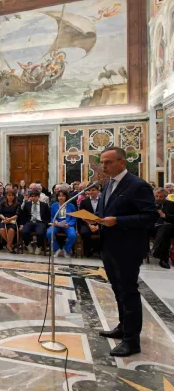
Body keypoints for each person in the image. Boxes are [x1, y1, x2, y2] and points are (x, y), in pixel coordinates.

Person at [92, 146, 158, 357]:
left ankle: (132, 341)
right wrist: (96, 220)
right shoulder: (107, 184)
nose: (104, 166)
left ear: (122, 162)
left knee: (128, 292)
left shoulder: (137, 185)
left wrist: (118, 221)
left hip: (128, 247)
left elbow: (150, 217)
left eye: (108, 162)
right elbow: (106, 211)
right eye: (102, 162)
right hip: (109, 246)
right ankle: (123, 327)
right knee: (118, 290)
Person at [46, 190, 77, 258]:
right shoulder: (53, 206)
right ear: (57, 197)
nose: (61, 197)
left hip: (67, 224)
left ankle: (66, 250)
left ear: (66, 197)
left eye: (63, 196)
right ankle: (57, 249)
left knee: (73, 235)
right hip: (57, 224)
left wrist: (68, 224)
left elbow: (74, 218)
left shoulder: (71, 206)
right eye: (59, 196)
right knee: (49, 233)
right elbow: (52, 216)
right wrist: (55, 221)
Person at [148, 188, 174, 269]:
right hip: (151, 227)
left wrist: (165, 216)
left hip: (166, 227)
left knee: (165, 228)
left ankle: (160, 256)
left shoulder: (171, 204)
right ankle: (160, 256)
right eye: (157, 196)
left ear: (165, 197)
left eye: (161, 197)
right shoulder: (150, 204)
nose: (158, 198)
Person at [19, 190, 50, 255]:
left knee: (40, 232)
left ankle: (39, 246)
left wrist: (47, 224)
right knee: (23, 232)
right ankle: (27, 244)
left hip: (40, 222)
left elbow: (48, 216)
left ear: (38, 197)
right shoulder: (27, 204)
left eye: (35, 196)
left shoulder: (44, 205)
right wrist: (22, 224)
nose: (33, 198)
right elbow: (23, 215)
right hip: (30, 221)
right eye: (32, 196)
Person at [78, 184, 101, 258]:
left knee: (104, 232)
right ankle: (88, 250)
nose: (91, 192)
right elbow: (81, 216)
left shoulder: (102, 201)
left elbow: (105, 214)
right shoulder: (84, 202)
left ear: (98, 191)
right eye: (90, 190)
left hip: (100, 223)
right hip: (86, 223)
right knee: (84, 232)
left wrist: (98, 225)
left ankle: (98, 250)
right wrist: (90, 225)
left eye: (93, 190)